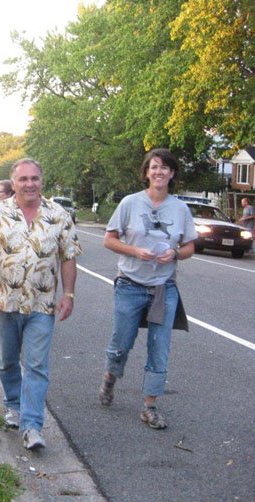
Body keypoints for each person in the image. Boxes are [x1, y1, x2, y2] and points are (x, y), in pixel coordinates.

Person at [0, 158, 81, 450]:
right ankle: (13, 403)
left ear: (42, 181)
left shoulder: (58, 215)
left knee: (37, 365)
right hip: (4, 304)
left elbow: (69, 256)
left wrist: (69, 295)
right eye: (23, 179)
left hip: (42, 304)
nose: (29, 184)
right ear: (13, 183)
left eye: (34, 178)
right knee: (7, 361)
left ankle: (33, 426)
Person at [99, 148, 196, 429]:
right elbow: (109, 239)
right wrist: (134, 251)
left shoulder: (180, 209)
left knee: (159, 347)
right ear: (146, 172)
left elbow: (190, 245)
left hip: (164, 288)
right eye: (154, 167)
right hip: (130, 285)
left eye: (165, 168)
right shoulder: (130, 203)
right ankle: (110, 377)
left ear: (172, 174)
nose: (159, 172)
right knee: (121, 343)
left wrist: (176, 254)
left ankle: (150, 406)